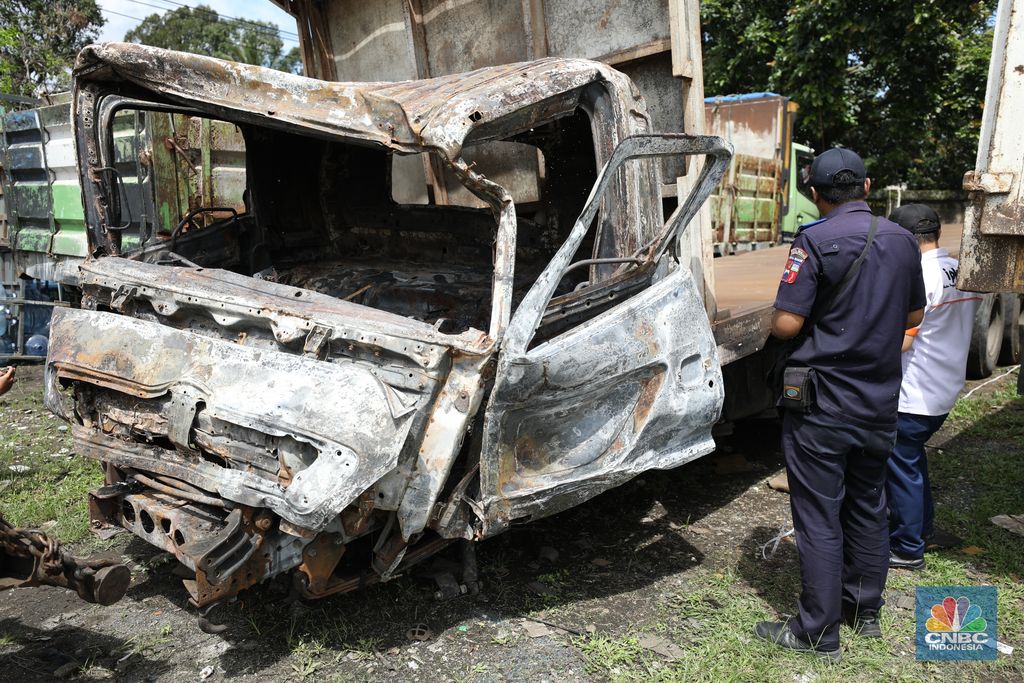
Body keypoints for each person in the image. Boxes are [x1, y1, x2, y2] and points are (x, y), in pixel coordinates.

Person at [754, 148, 926, 661]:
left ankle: (816, 632)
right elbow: (914, 315)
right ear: (867, 187)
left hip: (822, 405)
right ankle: (863, 611)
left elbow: (787, 324)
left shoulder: (813, 240)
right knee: (869, 504)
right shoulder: (902, 239)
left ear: (814, 194)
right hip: (879, 402)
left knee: (818, 515)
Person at [886, 204, 979, 570]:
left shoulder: (918, 276)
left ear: (905, 240)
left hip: (915, 390)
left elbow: (903, 342)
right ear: (937, 233)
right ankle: (923, 530)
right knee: (912, 459)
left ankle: (908, 548)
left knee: (900, 466)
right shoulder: (958, 268)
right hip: (944, 387)